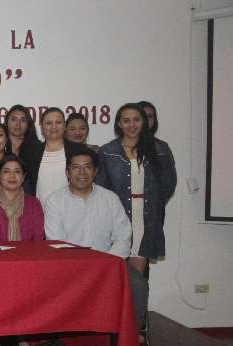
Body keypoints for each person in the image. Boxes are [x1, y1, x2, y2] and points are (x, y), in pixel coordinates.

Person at [96, 103, 177, 329]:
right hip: (116, 218)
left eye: (136, 119)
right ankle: (113, 324)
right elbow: (100, 188)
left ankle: (132, 329)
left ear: (144, 121)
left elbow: (168, 184)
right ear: (119, 124)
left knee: (135, 278)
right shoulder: (107, 151)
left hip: (147, 218)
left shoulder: (160, 149)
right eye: (126, 120)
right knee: (114, 276)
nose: (132, 125)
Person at [44, 149, 143, 323]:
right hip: (70, 266)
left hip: (109, 263)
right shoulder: (55, 201)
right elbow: (56, 242)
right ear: (67, 172)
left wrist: (105, 263)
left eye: (87, 167)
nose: (82, 173)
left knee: (138, 284)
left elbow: (123, 237)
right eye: (76, 167)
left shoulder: (110, 199)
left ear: (95, 171)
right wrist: (85, 266)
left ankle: (128, 337)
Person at [22, 107, 88, 204]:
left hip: (73, 213)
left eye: (58, 122)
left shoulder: (79, 151)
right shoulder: (30, 153)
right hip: (39, 214)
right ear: (42, 128)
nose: (54, 126)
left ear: (65, 126)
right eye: (49, 123)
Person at [0, 154, 45, 242]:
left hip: (28, 254)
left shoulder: (33, 203)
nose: (12, 176)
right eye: (6, 171)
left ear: (23, 177)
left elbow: (38, 238)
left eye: (17, 172)